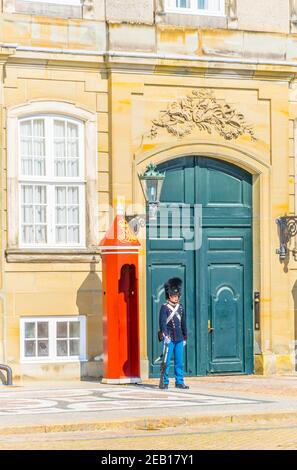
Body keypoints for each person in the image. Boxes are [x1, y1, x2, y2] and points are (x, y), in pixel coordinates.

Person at [158, 277, 189, 390]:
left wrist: (185, 336)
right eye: (174, 296)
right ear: (169, 296)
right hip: (169, 338)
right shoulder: (164, 308)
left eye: (177, 296)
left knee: (179, 362)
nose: (176, 298)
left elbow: (183, 322)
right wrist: (165, 335)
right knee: (166, 362)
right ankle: (164, 381)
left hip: (179, 338)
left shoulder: (180, 308)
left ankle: (179, 381)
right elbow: (162, 323)